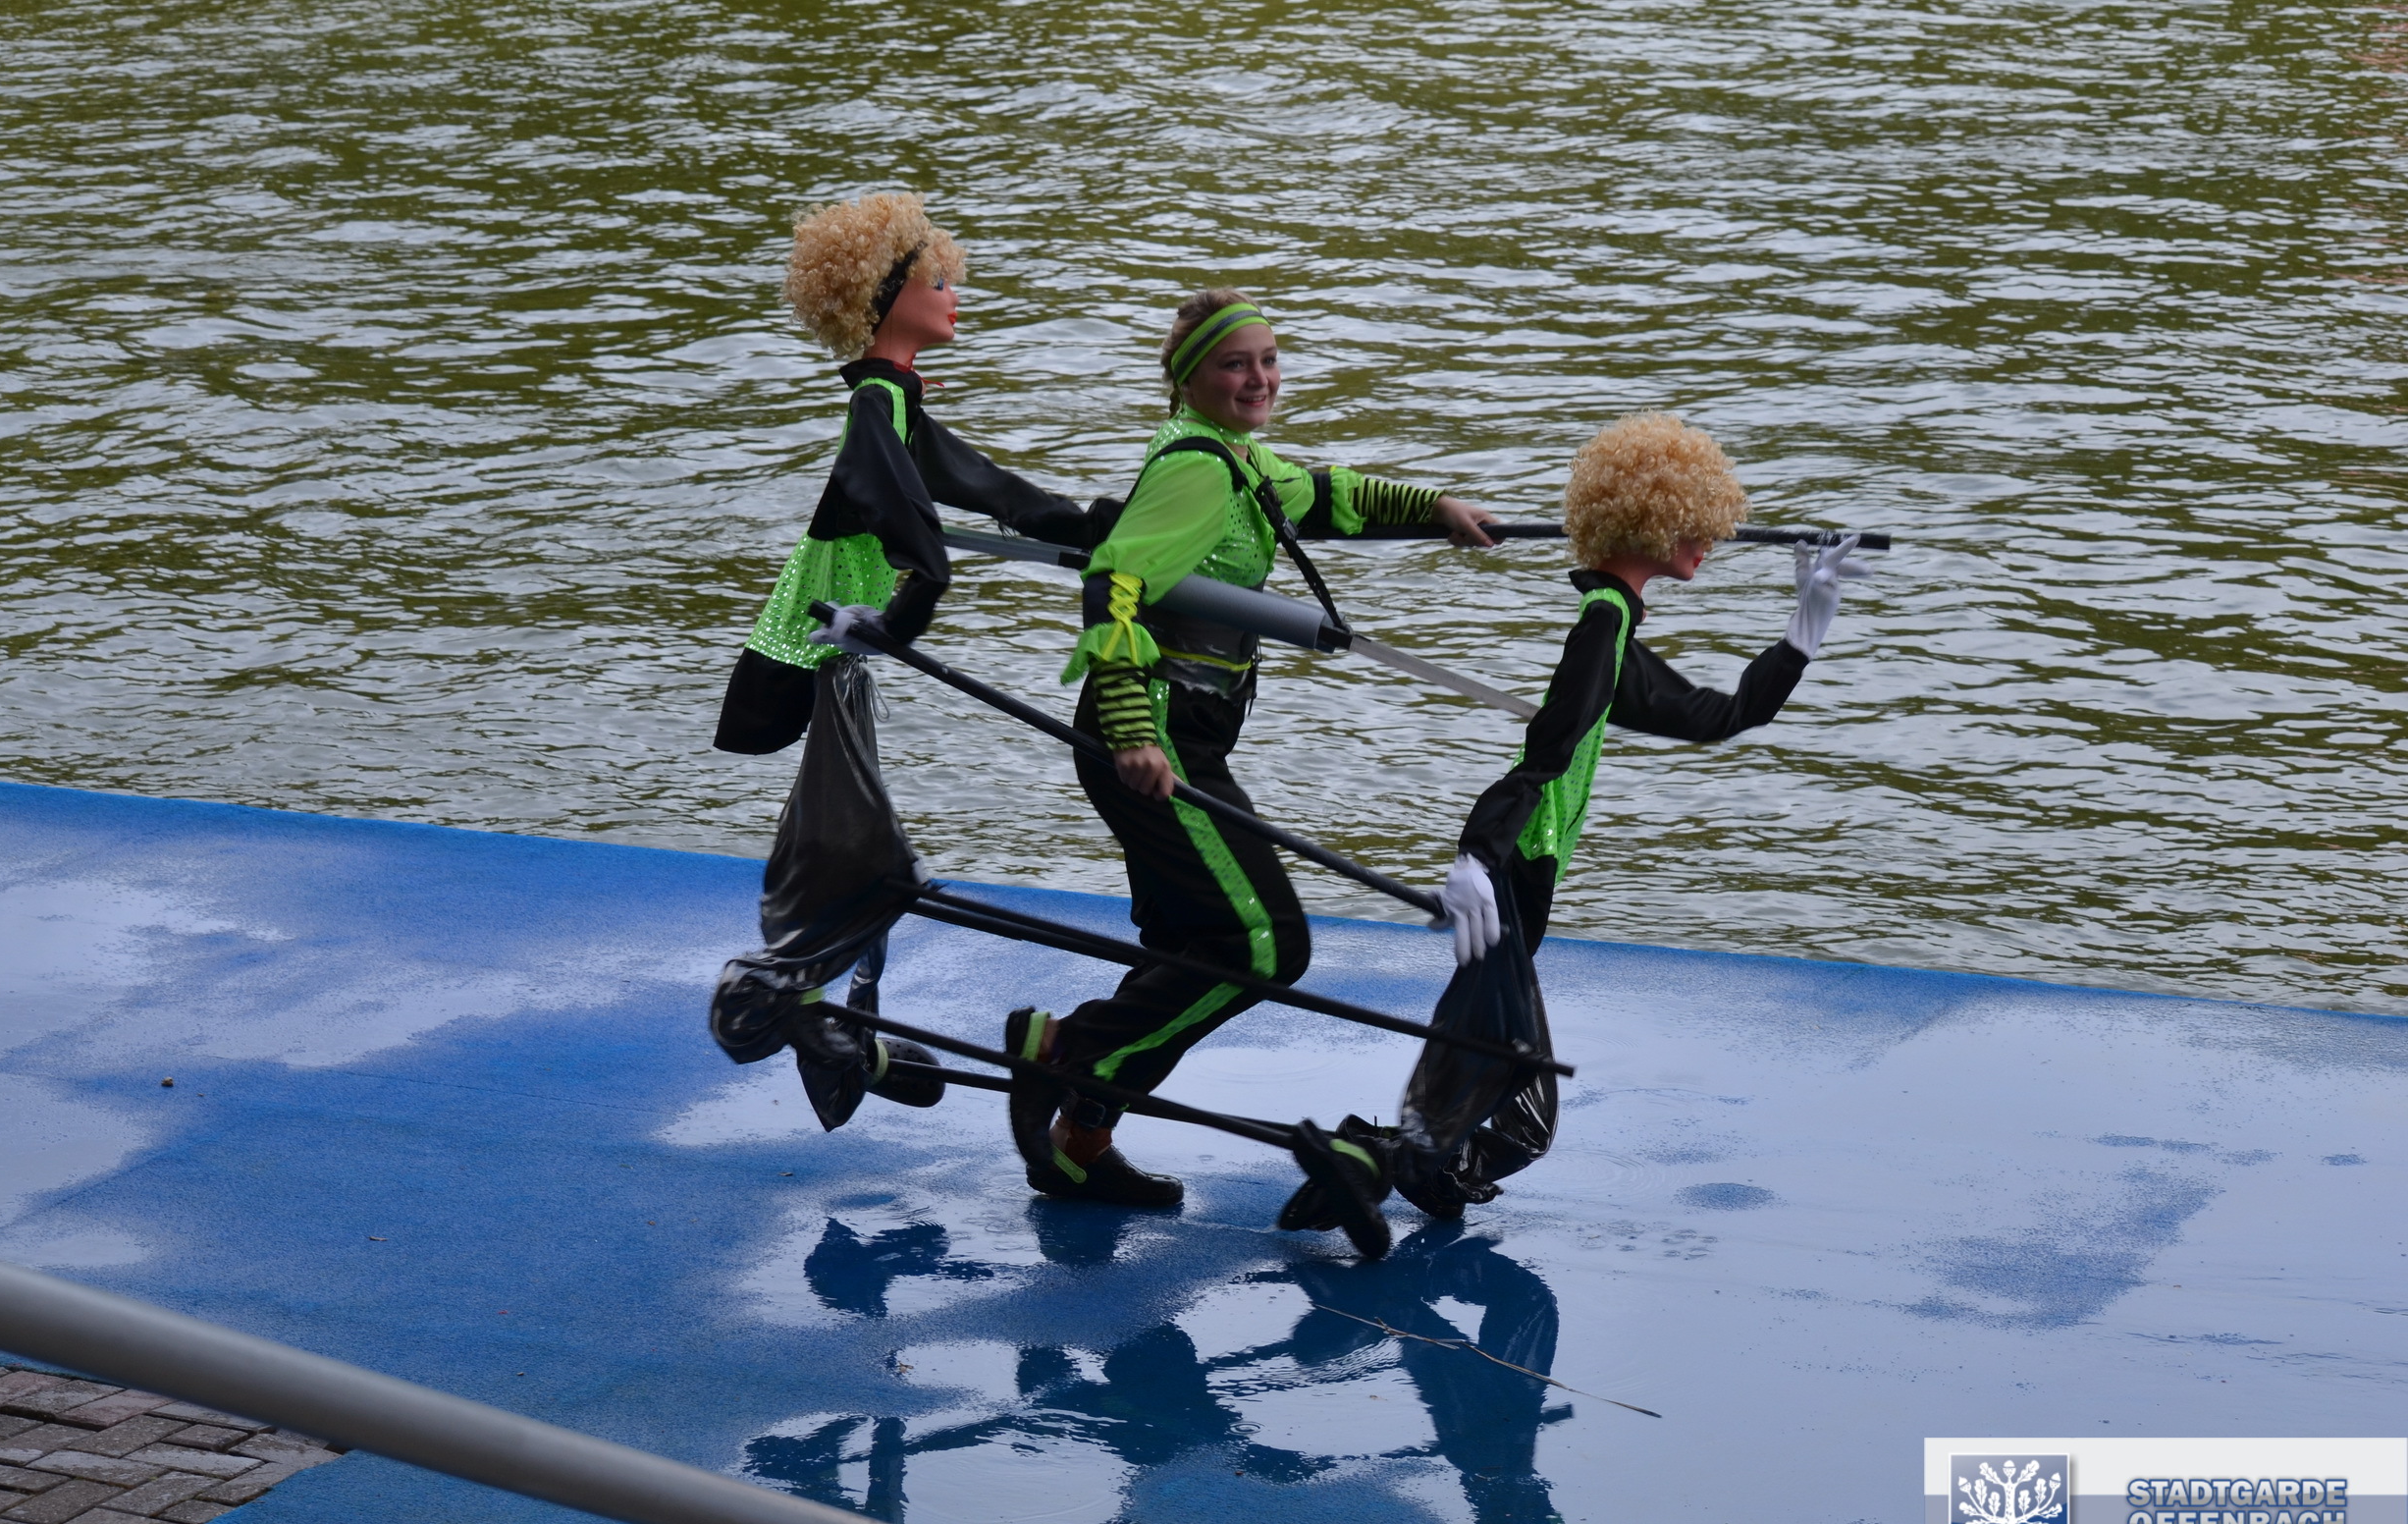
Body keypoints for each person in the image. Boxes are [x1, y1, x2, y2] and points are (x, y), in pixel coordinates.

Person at [1290, 412, 1869, 1225]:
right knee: (1508, 1086)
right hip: (1509, 869)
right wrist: (1477, 856)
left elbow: (1720, 715)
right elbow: (1547, 747)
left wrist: (1806, 629)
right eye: (1697, 526)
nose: (1709, 543)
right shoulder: (1603, 625)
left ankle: (1386, 1164)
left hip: (1523, 870)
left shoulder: (1614, 620)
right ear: (1652, 523)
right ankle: (1377, 1162)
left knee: (1489, 1065)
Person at [1001, 288, 1497, 1207]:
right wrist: (1133, 731)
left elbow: (1335, 496)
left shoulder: (1244, 461)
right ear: (1190, 380)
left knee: (1186, 945)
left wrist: (1436, 508)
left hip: (1188, 732)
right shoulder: (1195, 468)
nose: (1260, 378)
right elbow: (1112, 583)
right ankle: (1068, 1051)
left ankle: (1080, 1143)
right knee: (1266, 944)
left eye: (1269, 360)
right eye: (1236, 364)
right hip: (1153, 733)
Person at [706, 192, 1089, 1128]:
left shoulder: (895, 393)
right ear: (882, 296)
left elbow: (975, 482)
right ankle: (781, 1001)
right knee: (859, 849)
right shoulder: (878, 399)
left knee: (847, 835)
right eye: (938, 280)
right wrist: (916, 596)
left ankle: (839, 1021)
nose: (955, 294)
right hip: (824, 642)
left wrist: (1084, 526)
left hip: (842, 645)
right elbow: (896, 506)